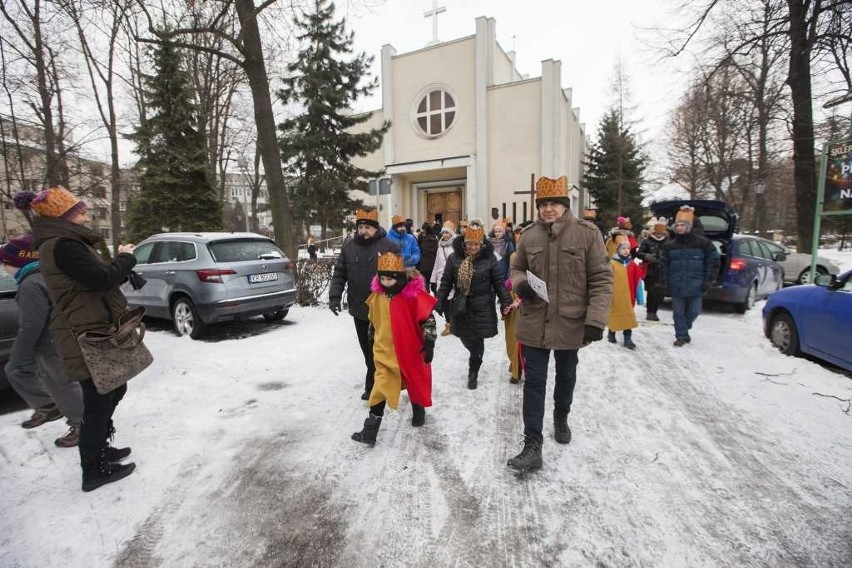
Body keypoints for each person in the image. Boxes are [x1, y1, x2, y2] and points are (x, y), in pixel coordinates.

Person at [22, 186, 137, 492]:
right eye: (80, 210)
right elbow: (101, 279)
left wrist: (122, 270)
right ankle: (93, 470)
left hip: (92, 325)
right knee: (100, 397)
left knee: (113, 388)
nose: (86, 214)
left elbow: (93, 282)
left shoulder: (66, 242)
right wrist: (126, 259)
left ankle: (100, 447)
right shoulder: (63, 245)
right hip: (83, 332)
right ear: (66, 215)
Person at [506, 176, 613, 471]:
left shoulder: (587, 234)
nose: (548, 210)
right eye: (543, 204)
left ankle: (561, 415)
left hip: (571, 321)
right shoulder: (529, 236)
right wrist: (520, 284)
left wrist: (596, 320)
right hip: (534, 320)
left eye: (553, 204)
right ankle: (532, 444)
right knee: (534, 382)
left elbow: (602, 279)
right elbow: (516, 266)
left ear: (564, 206)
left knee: (566, 375)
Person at [1, 235, 83, 447]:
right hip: (62, 338)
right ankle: (50, 407)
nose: (4, 267)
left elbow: (31, 325)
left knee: (56, 381)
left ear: (18, 262)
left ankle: (80, 425)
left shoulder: (30, 284)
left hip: (51, 342)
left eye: (5, 263)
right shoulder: (47, 274)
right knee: (58, 381)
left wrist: (20, 353)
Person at [351, 252, 437, 445]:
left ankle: (418, 408)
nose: (385, 282)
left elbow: (427, 319)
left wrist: (429, 342)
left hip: (410, 350)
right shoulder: (378, 296)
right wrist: (371, 340)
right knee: (380, 387)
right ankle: (370, 431)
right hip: (385, 352)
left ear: (399, 278)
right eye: (381, 278)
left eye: (389, 279)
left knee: (414, 381)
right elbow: (374, 321)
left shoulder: (412, 296)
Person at [329, 208, 400, 400]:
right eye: (360, 227)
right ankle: (374, 379)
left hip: (382, 309)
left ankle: (376, 384)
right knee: (367, 349)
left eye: (367, 227)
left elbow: (399, 277)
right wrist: (335, 296)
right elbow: (340, 273)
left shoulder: (389, 246)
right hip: (359, 307)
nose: (363, 231)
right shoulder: (349, 246)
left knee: (381, 347)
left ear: (376, 228)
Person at [435, 224, 511, 390]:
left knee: (478, 339)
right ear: (464, 243)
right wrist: (439, 302)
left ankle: (473, 370)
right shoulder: (454, 258)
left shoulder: (489, 259)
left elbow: (499, 283)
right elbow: (446, 283)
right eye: (470, 243)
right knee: (464, 336)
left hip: (482, 305)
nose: (473, 247)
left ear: (482, 244)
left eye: (476, 244)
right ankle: (475, 355)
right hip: (461, 304)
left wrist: (505, 301)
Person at [660, 206, 720, 347]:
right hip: (677, 285)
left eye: (682, 225)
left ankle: (685, 328)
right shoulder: (669, 246)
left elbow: (713, 262)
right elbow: (663, 265)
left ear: (689, 227)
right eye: (677, 225)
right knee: (678, 313)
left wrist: (708, 280)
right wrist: (665, 282)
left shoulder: (703, 243)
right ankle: (681, 336)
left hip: (696, 285)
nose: (679, 228)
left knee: (694, 311)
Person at [606, 238, 641, 349]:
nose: (626, 250)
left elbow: (638, 282)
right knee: (615, 315)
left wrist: (640, 297)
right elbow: (607, 280)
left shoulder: (633, 265)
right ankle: (612, 332)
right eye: (623, 248)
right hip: (615, 296)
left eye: (628, 248)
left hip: (629, 296)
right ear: (618, 250)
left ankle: (627, 338)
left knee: (628, 317)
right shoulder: (612, 264)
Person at [637, 217, 669, 321]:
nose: (659, 236)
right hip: (649, 270)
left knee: (658, 292)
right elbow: (639, 253)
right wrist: (647, 256)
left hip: (662, 270)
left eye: (661, 234)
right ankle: (649, 311)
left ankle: (654, 311)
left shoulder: (668, 242)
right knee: (651, 291)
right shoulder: (647, 241)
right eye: (657, 233)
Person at [430, 221, 457, 337]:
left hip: (453, 279)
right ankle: (449, 325)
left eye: (447, 233)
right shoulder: (440, 245)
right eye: (444, 232)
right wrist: (433, 280)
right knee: (445, 303)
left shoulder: (456, 246)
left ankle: (456, 324)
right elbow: (436, 263)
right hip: (442, 279)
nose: (445, 235)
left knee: (454, 303)